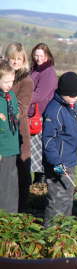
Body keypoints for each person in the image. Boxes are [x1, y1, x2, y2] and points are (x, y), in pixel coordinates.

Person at [42, 72, 77, 227]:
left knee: (67, 199)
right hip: (58, 164)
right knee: (56, 202)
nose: (75, 98)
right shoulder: (54, 110)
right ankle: (50, 234)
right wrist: (56, 163)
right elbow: (48, 140)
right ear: (63, 93)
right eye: (72, 96)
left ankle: (64, 235)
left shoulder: (73, 106)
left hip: (70, 161)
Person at [5, 42, 34, 212]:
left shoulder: (26, 81)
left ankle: (21, 212)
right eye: (12, 58)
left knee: (21, 174)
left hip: (18, 132)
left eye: (18, 59)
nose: (15, 62)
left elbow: (21, 109)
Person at [29, 43, 58, 184]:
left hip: (41, 116)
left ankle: (39, 185)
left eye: (41, 55)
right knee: (33, 154)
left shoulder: (49, 72)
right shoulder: (35, 69)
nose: (38, 58)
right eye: (36, 55)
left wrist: (19, 96)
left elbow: (39, 95)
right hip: (31, 114)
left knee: (39, 154)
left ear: (47, 56)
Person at [0, 60, 19, 213]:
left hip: (12, 147)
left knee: (11, 185)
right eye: (6, 81)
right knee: (3, 187)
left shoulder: (11, 95)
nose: (9, 84)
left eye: (11, 81)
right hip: (2, 149)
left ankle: (11, 218)